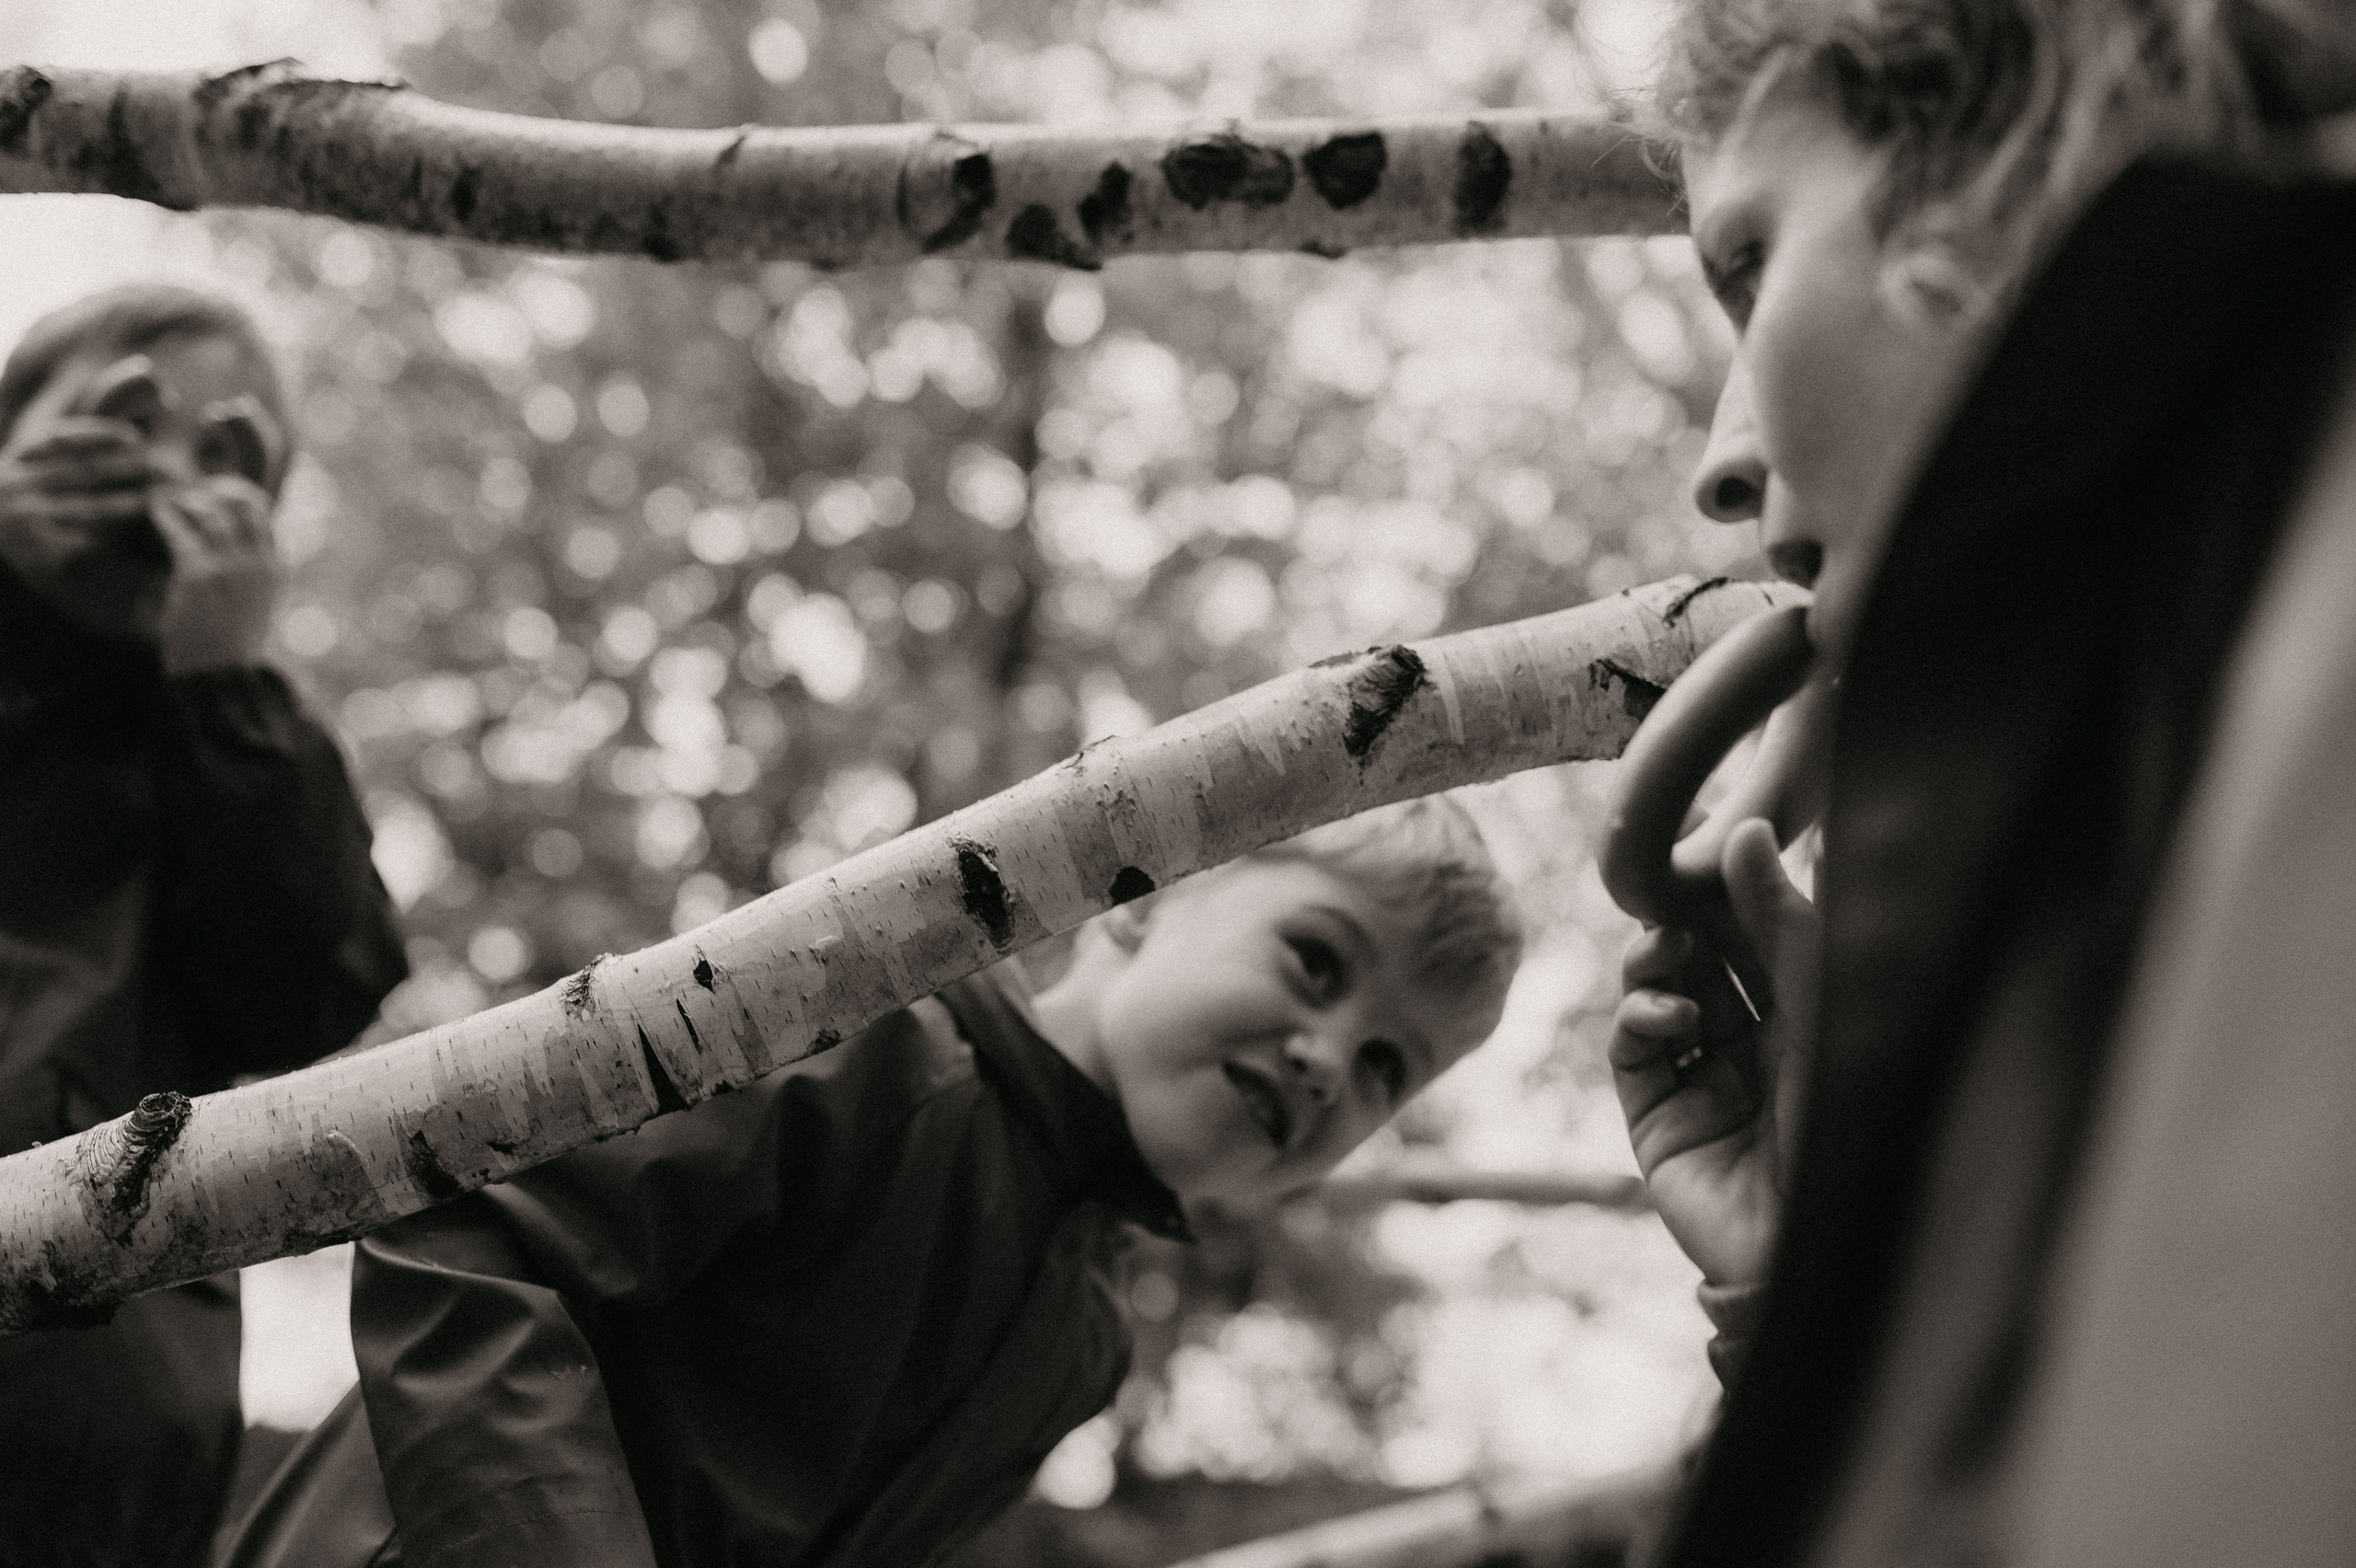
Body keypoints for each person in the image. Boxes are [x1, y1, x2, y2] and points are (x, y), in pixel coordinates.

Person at [1605, 2, 2356, 1565]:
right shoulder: (2165, 761)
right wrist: (1836, 1268)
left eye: (1749, 265)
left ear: (2007, 148)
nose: (1721, 472)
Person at [217, 793, 1522, 1568]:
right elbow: (481, 1235)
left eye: (1387, 1068)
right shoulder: (870, 1036)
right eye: (1316, 962)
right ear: (1148, 898)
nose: (1326, 1057)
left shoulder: (1083, 1339)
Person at [0, 283, 409, 1566]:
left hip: (92, 1443)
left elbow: (312, 989)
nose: (169, 472)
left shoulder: (248, 747)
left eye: (228, 457)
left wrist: (223, 688)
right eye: (125, 417)